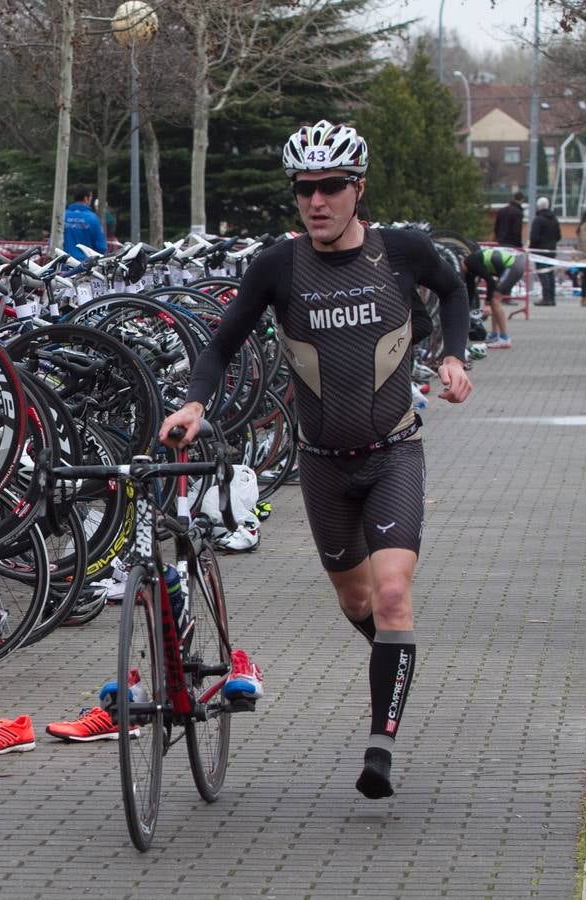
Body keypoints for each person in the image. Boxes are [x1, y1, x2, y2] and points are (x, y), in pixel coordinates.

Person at [157, 120, 472, 801]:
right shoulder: (279, 265)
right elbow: (221, 344)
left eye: (331, 187)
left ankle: (380, 747)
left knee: (391, 595)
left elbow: (453, 289)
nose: (317, 200)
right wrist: (193, 404)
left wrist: (453, 354)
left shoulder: (401, 252)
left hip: (393, 455)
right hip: (323, 465)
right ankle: (395, 656)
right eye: (305, 189)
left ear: (358, 188)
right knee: (357, 599)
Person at [461, 247, 527, 348]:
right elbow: (471, 291)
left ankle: (504, 338)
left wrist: (487, 305)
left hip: (513, 265)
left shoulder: (470, 261)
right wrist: (467, 310)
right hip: (514, 265)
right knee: (494, 300)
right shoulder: (469, 268)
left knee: (494, 300)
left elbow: (490, 281)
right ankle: (495, 334)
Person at [528, 196, 561, 306]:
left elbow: (534, 237)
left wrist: (531, 249)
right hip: (552, 251)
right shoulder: (554, 219)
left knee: (543, 274)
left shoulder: (538, 220)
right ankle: (552, 298)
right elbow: (558, 236)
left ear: (538, 207)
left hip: (540, 251)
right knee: (550, 274)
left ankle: (546, 298)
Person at [62, 184, 107, 256]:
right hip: (86, 263)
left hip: (63, 263)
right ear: (86, 198)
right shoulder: (92, 218)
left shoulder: (63, 216)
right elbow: (101, 247)